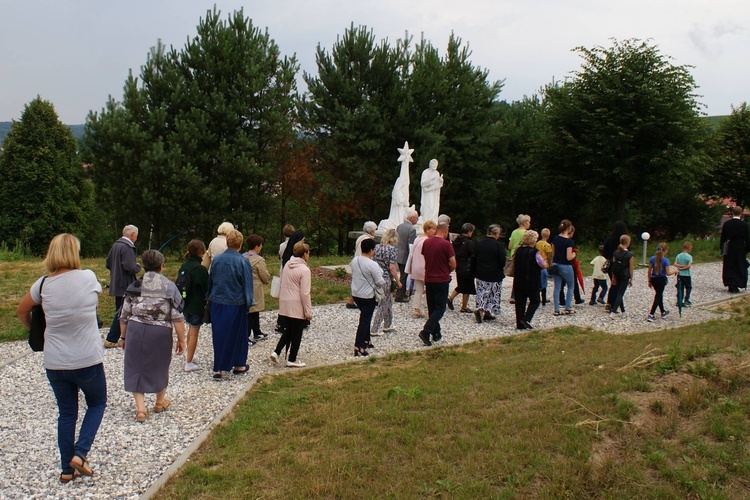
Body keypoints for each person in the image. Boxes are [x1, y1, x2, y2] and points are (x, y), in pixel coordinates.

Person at [16, 234, 106, 483]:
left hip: (55, 360)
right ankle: (80, 453)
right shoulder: (87, 277)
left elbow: (22, 310)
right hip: (87, 357)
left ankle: (67, 470)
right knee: (97, 403)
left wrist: (34, 328)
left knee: (67, 414)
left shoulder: (43, 285)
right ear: (74, 253)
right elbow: (97, 297)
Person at [120, 250, 186, 422]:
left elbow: (124, 315)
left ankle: (141, 409)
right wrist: (181, 339)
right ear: (161, 266)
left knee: (135, 366)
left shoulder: (134, 286)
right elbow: (177, 316)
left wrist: (123, 337)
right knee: (160, 365)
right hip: (160, 331)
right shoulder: (169, 287)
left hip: (135, 328)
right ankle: (159, 401)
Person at [207, 230, 254, 380]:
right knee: (238, 335)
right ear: (240, 244)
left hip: (217, 302)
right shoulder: (243, 261)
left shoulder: (217, 260)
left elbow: (211, 280)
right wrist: (249, 303)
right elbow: (247, 284)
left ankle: (218, 368)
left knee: (219, 334)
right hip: (236, 303)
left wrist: (209, 297)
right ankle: (239, 364)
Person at [270, 242, 312, 367]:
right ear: (304, 254)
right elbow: (305, 293)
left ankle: (276, 352)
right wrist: (308, 311)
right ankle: (292, 358)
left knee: (289, 330)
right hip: (296, 303)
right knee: (297, 332)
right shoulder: (304, 270)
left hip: (285, 301)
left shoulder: (288, 264)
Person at [418, 222, 456, 346]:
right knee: (440, 308)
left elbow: (426, 257)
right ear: (445, 231)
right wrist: (447, 270)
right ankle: (426, 331)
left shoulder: (427, 242)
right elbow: (453, 264)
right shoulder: (446, 245)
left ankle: (436, 332)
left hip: (429, 278)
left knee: (432, 307)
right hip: (441, 279)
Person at [104, 225, 140, 348]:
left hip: (116, 283)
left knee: (120, 310)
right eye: (136, 236)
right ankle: (111, 339)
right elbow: (130, 267)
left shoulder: (116, 245)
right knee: (122, 312)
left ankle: (124, 336)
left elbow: (108, 263)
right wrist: (137, 267)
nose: (136, 238)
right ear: (132, 234)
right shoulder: (127, 247)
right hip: (125, 285)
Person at [350, 238, 386, 357]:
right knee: (365, 320)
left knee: (365, 317)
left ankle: (366, 340)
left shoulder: (355, 260)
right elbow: (380, 282)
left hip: (356, 294)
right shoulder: (372, 264)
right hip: (367, 296)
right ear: (372, 250)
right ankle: (358, 345)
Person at [179, 240, 209, 372]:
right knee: (194, 333)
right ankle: (189, 362)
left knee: (190, 330)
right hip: (197, 304)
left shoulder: (184, 266)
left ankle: (190, 354)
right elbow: (207, 287)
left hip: (186, 304)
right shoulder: (201, 269)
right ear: (200, 252)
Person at [473, 224, 506, 323]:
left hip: (481, 272)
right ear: (496, 234)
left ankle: (481, 309)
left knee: (482, 292)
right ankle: (486, 311)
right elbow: (502, 261)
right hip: (494, 273)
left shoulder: (480, 243)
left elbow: (474, 257)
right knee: (493, 293)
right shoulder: (498, 245)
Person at [512, 230, 546, 329]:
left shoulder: (518, 250)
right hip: (531, 281)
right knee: (535, 300)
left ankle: (519, 324)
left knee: (520, 303)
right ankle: (526, 318)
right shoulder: (535, 252)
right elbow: (542, 265)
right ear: (533, 241)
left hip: (519, 280)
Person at [405, 220, 436, 318]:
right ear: (427, 229)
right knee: (431, 290)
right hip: (425, 267)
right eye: (433, 229)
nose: (434, 231)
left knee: (419, 289)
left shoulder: (417, 239)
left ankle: (416, 309)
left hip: (416, 267)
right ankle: (430, 309)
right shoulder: (427, 241)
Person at [244, 234, 271, 344]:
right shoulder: (258, 260)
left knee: (253, 311)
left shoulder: (242, 257)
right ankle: (246, 336)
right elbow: (264, 275)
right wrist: (267, 280)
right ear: (256, 247)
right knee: (253, 311)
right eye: (260, 245)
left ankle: (257, 331)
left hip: (244, 287)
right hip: (256, 288)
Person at [371, 228, 400, 335]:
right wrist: (398, 280)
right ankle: (375, 328)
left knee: (388, 301)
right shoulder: (392, 250)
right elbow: (392, 267)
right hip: (386, 278)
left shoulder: (376, 247)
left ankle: (388, 324)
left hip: (376, 277)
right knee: (383, 304)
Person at [346, 221, 377, 309]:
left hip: (357, 261)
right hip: (362, 262)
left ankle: (352, 300)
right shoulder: (367, 239)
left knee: (356, 281)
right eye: (374, 230)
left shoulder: (361, 237)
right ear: (371, 231)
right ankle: (352, 300)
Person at [720, 206, 750, 293]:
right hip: (740, 247)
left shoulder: (727, 224)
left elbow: (723, 237)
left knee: (729, 265)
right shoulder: (744, 225)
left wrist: (722, 248)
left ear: (733, 213)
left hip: (729, 247)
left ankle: (729, 282)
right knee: (739, 265)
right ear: (741, 214)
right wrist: (748, 249)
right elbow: (747, 238)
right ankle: (737, 283)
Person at [447, 223, 476, 312]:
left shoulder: (456, 241)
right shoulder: (469, 242)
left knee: (463, 285)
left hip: (458, 265)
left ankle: (464, 306)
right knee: (464, 286)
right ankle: (451, 298)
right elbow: (473, 255)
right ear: (469, 232)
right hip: (467, 266)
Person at [647, 242, 678, 321]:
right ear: (665, 250)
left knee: (659, 294)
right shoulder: (665, 260)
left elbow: (649, 271)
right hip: (661, 279)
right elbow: (668, 273)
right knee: (658, 296)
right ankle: (651, 314)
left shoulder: (652, 259)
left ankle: (663, 311)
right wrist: (674, 271)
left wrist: (649, 280)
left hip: (653, 279)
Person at [551, 219, 576, 315]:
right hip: (566, 266)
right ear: (569, 228)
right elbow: (568, 257)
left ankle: (556, 309)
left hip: (556, 265)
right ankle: (568, 307)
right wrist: (574, 254)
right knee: (570, 286)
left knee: (557, 287)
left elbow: (553, 254)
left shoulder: (555, 239)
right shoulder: (569, 242)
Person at [602, 221, 629, 311]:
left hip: (611, 265)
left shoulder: (609, 240)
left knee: (614, 284)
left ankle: (610, 302)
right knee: (619, 286)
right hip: (622, 266)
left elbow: (604, 253)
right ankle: (615, 304)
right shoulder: (625, 240)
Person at [395, 210, 418, 302]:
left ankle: (401, 293)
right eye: (416, 218)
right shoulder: (412, 229)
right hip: (405, 255)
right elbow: (411, 245)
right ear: (411, 218)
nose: (417, 219)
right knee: (404, 276)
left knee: (402, 275)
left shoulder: (400, 226)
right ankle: (400, 295)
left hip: (398, 254)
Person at [609, 234, 635, 318]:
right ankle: (613, 311)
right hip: (625, 275)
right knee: (620, 293)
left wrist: (613, 276)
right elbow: (631, 267)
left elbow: (613, 265)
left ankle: (623, 311)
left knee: (618, 292)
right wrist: (631, 278)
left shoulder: (616, 252)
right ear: (628, 243)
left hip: (617, 274)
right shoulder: (629, 254)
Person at [508, 214, 531, 304]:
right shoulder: (526, 233)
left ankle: (513, 295)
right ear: (525, 223)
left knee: (517, 276)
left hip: (514, 255)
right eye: (528, 222)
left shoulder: (514, 232)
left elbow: (510, 246)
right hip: (523, 256)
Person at [420, 159, 443, 224]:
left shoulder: (437, 173)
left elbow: (438, 185)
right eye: (433, 164)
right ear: (430, 164)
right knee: (428, 207)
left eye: (436, 164)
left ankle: (433, 223)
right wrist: (430, 179)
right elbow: (423, 183)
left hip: (434, 194)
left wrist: (440, 181)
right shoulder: (425, 172)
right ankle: (426, 223)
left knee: (434, 208)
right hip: (428, 193)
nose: (434, 165)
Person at [535, 228, 552, 305]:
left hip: (538, 263)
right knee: (544, 282)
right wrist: (549, 264)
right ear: (548, 236)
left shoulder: (537, 243)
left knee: (538, 280)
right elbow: (549, 256)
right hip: (544, 264)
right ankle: (544, 300)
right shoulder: (548, 245)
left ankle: (537, 298)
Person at [674, 241, 694, 306]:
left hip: (679, 274)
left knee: (680, 288)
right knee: (688, 287)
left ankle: (679, 301)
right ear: (689, 248)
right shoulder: (689, 256)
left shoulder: (678, 255)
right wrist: (683, 267)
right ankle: (686, 300)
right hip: (686, 274)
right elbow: (688, 266)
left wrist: (679, 267)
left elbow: (675, 263)